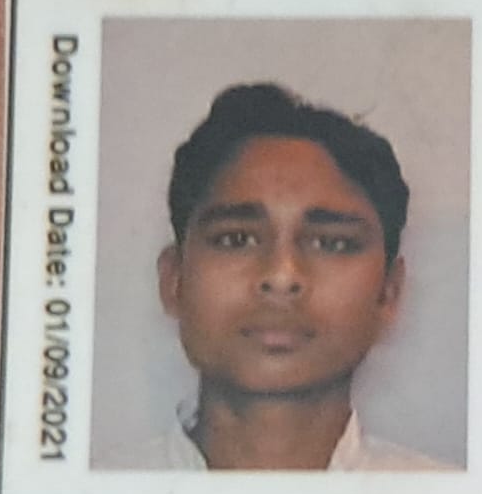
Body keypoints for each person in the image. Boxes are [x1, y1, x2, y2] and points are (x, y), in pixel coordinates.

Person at [115, 82, 451, 470]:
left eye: (331, 243)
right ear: (173, 280)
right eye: (236, 239)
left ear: (388, 293)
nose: (281, 276)